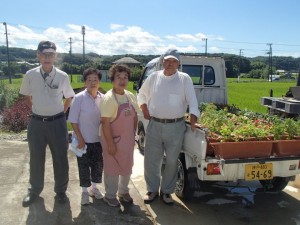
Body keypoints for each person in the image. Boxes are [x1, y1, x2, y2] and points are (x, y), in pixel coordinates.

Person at [137, 48, 200, 205]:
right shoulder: (153, 77)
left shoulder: (184, 79)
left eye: (174, 61)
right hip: (155, 124)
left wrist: (193, 116)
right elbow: (142, 94)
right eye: (167, 60)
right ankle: (152, 190)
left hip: (176, 126)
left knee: (172, 160)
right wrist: (144, 108)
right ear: (162, 61)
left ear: (178, 64)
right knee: (151, 159)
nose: (170, 63)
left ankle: (167, 192)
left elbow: (192, 100)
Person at [20, 40, 75, 207]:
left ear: (55, 56)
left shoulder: (62, 76)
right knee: (36, 158)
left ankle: (60, 192)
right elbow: (26, 96)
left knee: (60, 159)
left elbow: (69, 97)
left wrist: (60, 112)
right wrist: (36, 109)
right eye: (44, 54)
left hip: (57, 123)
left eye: (51, 54)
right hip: (36, 123)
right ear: (38, 55)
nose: (47, 57)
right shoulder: (30, 74)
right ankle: (34, 190)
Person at [100, 64, 138, 207]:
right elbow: (105, 123)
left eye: (125, 77)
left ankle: (123, 192)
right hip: (112, 140)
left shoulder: (130, 96)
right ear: (112, 80)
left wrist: (133, 136)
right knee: (112, 169)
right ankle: (110, 195)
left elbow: (135, 117)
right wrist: (110, 144)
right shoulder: (109, 99)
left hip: (127, 141)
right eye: (118, 77)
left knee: (127, 166)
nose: (122, 80)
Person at [68, 68, 104, 206]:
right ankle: (84, 192)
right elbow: (73, 121)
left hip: (98, 140)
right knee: (83, 167)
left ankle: (94, 188)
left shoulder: (103, 98)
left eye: (95, 79)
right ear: (85, 83)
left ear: (99, 82)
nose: (92, 82)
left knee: (97, 166)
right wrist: (81, 139)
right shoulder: (79, 98)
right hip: (83, 140)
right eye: (89, 80)